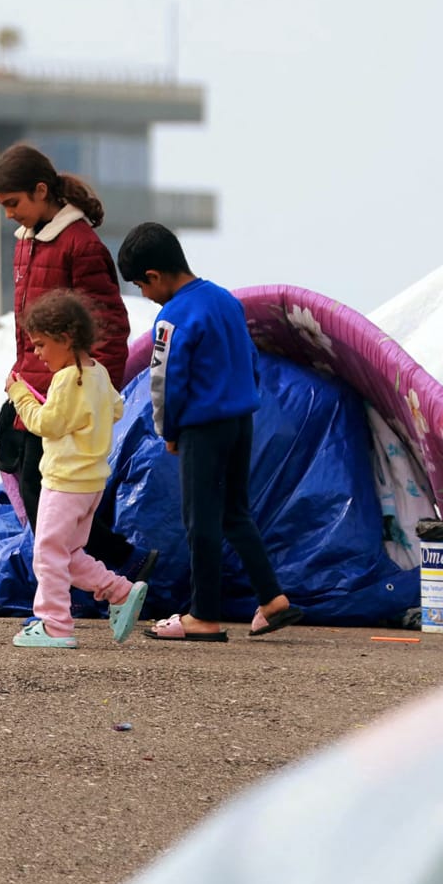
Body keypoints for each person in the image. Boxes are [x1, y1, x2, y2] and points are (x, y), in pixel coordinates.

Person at [116, 222, 296, 641]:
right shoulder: (226, 301)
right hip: (240, 421)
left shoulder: (172, 317)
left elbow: (163, 381)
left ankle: (204, 615)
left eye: (142, 287)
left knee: (200, 520)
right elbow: (252, 360)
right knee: (235, 513)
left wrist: (168, 430)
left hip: (201, 426)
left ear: (155, 277)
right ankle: (272, 600)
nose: (145, 295)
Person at [0, 145, 131, 557]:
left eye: (13, 203)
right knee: (25, 478)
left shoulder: (80, 246)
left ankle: (120, 566)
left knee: (44, 494)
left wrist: (97, 391)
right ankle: (97, 575)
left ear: (41, 190)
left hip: (65, 392)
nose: (9, 214)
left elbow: (111, 326)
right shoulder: (27, 242)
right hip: (32, 385)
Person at [3, 291, 149, 649]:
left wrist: (19, 393)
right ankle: (120, 591)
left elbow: (46, 424)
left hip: (64, 483)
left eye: (41, 344)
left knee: (47, 553)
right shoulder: (97, 374)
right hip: (90, 484)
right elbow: (115, 409)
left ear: (65, 339)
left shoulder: (68, 380)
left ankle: (54, 624)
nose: (37, 353)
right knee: (68, 555)